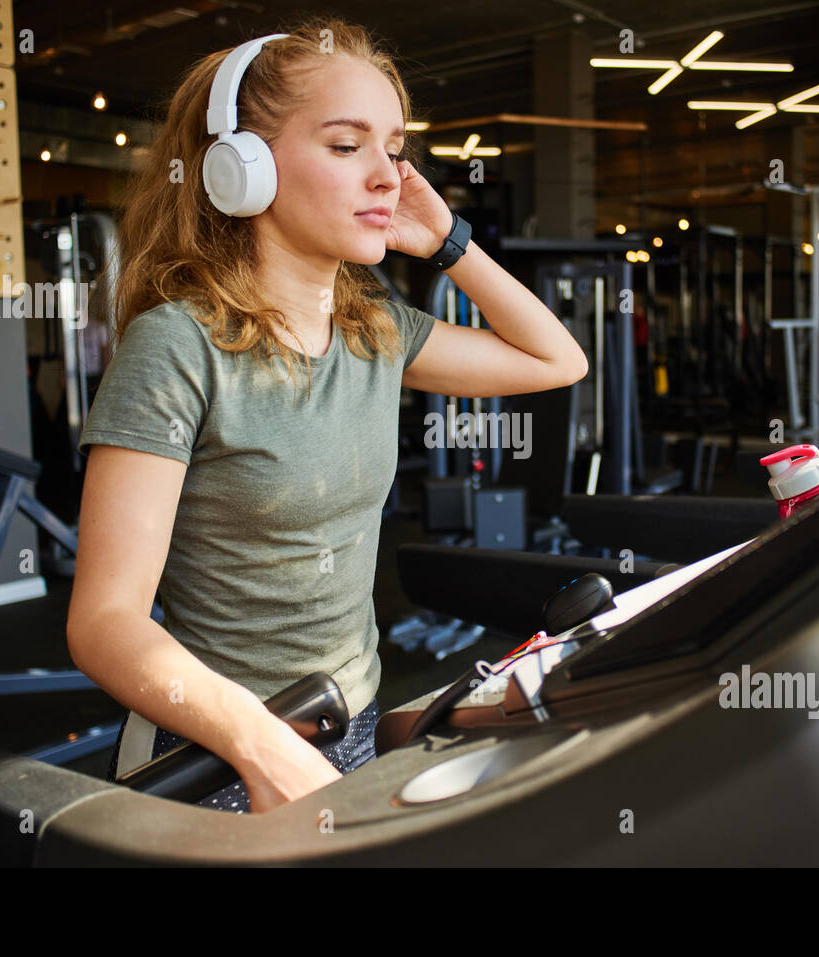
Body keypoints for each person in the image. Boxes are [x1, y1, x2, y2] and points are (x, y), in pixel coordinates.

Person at [66, 17, 589, 816]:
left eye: (393, 147)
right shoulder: (177, 346)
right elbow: (104, 622)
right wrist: (259, 743)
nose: (386, 175)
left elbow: (557, 360)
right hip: (215, 753)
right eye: (347, 146)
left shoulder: (373, 328)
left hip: (350, 727)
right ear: (240, 170)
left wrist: (449, 240)